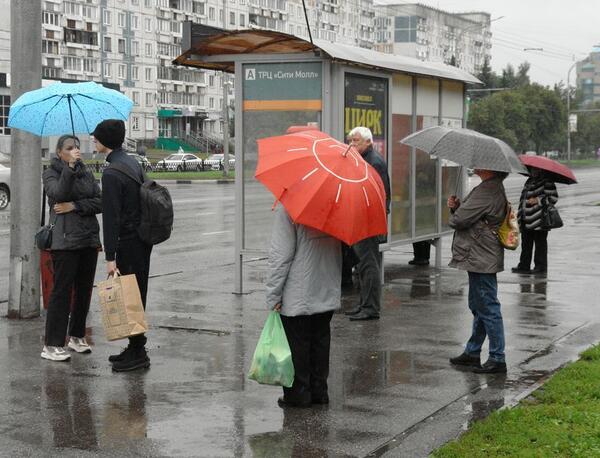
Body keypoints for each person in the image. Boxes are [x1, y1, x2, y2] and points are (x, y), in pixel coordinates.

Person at [265, 205, 341, 408]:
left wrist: (273, 295)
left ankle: (298, 394)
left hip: (299, 292)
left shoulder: (290, 209)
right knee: (320, 341)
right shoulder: (334, 206)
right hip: (326, 288)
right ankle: (319, 391)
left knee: (297, 344)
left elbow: (280, 257)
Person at [94, 119, 152, 372]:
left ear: (105, 141)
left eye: (96, 138)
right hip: (141, 239)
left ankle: (138, 353)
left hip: (128, 241)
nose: (93, 141)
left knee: (131, 294)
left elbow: (111, 218)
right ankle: (135, 346)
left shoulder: (112, 172)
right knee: (137, 291)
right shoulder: (130, 162)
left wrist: (110, 256)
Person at [41, 135, 102, 361]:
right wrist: (69, 168)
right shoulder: (51, 173)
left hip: (88, 238)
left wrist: (75, 206)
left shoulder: (86, 172)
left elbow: (99, 201)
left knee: (84, 290)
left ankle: (77, 336)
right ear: (59, 152)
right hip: (65, 241)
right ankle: (52, 344)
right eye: (69, 148)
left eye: (76, 147)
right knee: (62, 292)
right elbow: (59, 195)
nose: (75, 151)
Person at [447, 168, 509, 374]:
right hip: (481, 254)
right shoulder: (491, 187)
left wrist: (457, 211)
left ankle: (497, 358)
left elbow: (460, 220)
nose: (477, 164)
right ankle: (473, 352)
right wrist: (458, 207)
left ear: (490, 168)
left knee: (488, 306)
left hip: (480, 255)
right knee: (479, 305)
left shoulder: (487, 190)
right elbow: (470, 214)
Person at [344, 127, 390, 321]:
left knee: (369, 264)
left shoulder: (374, 162)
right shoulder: (362, 159)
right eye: (350, 141)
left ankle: (371, 308)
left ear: (368, 142)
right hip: (362, 219)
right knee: (362, 265)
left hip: (369, 221)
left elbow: (378, 194)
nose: (351, 144)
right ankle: (364, 303)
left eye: (356, 141)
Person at [512, 169, 558, 274]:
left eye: (534, 169)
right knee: (526, 244)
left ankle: (540, 267)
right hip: (526, 218)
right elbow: (523, 198)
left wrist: (538, 200)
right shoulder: (529, 180)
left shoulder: (547, 181)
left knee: (540, 244)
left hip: (539, 219)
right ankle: (524, 266)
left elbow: (553, 198)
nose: (532, 171)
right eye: (531, 169)